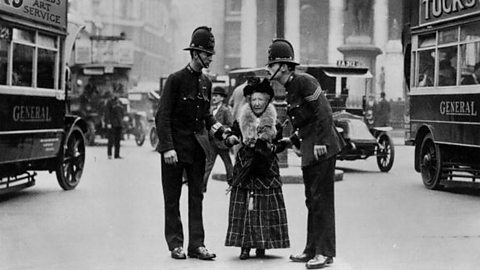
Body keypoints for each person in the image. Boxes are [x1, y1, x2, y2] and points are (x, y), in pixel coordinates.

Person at [155, 26, 238, 261]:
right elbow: (163, 116)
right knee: (172, 198)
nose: (211, 58)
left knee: (196, 197)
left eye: (211, 53)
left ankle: (197, 245)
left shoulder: (206, 83)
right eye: (207, 53)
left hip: (197, 151)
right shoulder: (175, 80)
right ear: (195, 54)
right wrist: (168, 147)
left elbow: (207, 117)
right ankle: (175, 244)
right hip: (174, 151)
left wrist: (224, 135)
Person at [266, 38, 345, 269]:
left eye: (272, 64)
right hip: (311, 149)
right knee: (312, 201)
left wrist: (320, 142)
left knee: (321, 201)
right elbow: (305, 124)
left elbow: (324, 112)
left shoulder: (305, 81)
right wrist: (290, 141)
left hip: (323, 148)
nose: (269, 69)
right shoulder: (292, 87)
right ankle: (312, 249)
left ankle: (325, 252)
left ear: (285, 66)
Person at [224, 78, 290, 260]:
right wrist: (230, 138)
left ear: (267, 100)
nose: (257, 103)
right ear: (249, 101)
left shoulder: (274, 121)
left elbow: (280, 143)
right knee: (245, 207)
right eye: (254, 100)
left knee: (265, 207)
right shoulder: (242, 119)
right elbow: (231, 133)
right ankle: (244, 247)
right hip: (246, 166)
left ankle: (262, 245)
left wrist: (274, 147)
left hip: (267, 167)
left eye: (261, 99)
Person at [203, 86, 234, 193]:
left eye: (216, 96)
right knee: (208, 164)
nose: (214, 98)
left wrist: (221, 130)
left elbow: (230, 125)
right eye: (213, 96)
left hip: (222, 142)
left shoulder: (225, 110)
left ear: (222, 98)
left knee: (228, 164)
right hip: (211, 142)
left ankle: (232, 184)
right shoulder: (211, 109)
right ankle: (202, 186)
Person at [104, 90, 125, 159]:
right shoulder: (109, 102)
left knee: (118, 140)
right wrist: (108, 123)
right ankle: (109, 154)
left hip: (119, 124)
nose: (117, 94)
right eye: (116, 93)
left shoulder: (120, 102)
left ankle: (117, 155)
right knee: (111, 140)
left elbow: (122, 113)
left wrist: (122, 121)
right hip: (112, 124)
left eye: (118, 93)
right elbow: (107, 113)